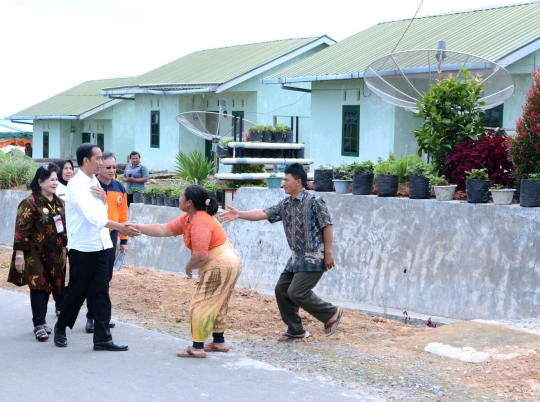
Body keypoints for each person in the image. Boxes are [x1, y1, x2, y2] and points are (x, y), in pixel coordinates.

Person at [220, 163, 343, 341]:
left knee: (296, 292)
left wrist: (328, 253)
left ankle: (331, 313)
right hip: (296, 258)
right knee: (281, 289)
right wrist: (239, 214)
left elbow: (327, 225)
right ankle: (296, 330)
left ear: (298, 182)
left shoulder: (315, 201)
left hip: (314, 256)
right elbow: (263, 213)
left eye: (286, 179)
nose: (283, 183)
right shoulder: (285, 204)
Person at [130, 184, 241, 358]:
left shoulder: (199, 222)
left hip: (220, 264)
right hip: (227, 261)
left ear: (189, 202)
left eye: (182, 195)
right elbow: (162, 229)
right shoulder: (189, 218)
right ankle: (218, 341)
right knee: (218, 302)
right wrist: (137, 227)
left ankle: (197, 347)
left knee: (201, 303)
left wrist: (189, 266)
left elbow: (200, 256)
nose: (179, 198)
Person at [54, 143, 139, 351]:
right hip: (83, 246)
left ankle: (102, 338)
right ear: (86, 161)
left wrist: (103, 201)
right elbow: (92, 217)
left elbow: (100, 213)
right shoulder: (76, 184)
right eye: (99, 158)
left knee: (102, 291)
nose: (102, 162)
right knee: (77, 291)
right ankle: (61, 326)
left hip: (102, 243)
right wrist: (119, 227)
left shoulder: (94, 182)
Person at [8, 163, 67, 342]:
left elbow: (63, 228)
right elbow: (21, 231)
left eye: (57, 180)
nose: (55, 183)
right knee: (38, 286)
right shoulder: (29, 203)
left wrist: (64, 248)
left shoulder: (59, 202)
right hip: (35, 253)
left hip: (55, 253)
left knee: (51, 285)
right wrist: (19, 256)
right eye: (52, 180)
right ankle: (39, 324)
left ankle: (44, 321)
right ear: (40, 182)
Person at [85, 151, 128, 333]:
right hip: (95, 234)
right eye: (108, 167)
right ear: (99, 167)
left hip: (111, 235)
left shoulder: (120, 187)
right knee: (93, 278)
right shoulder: (93, 186)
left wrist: (124, 239)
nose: (112, 171)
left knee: (106, 277)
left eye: (114, 167)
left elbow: (123, 214)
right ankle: (90, 316)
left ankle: (102, 316)